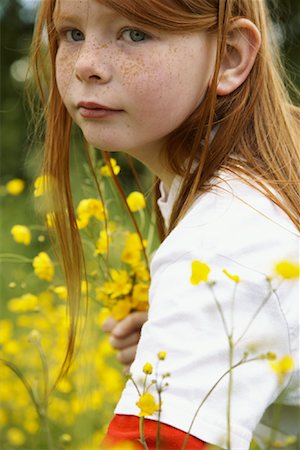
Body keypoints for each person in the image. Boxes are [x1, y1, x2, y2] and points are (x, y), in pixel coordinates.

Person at [30, 0, 299, 448]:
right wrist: (193, 337)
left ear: (229, 57)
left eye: (135, 33)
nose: (87, 66)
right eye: (72, 34)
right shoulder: (266, 180)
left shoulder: (225, 242)